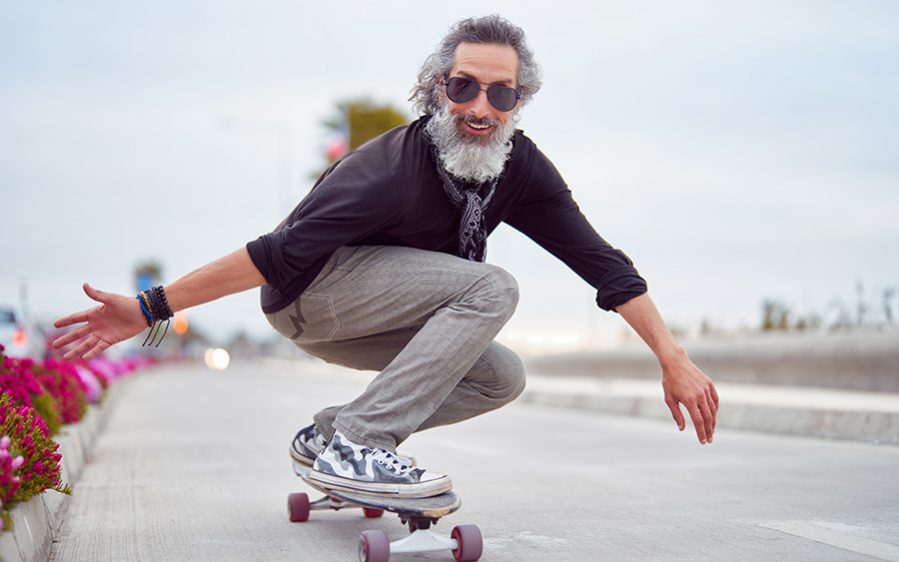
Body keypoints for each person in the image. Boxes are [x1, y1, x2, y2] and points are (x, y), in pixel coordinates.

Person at [53, 15, 719, 499]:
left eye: (501, 94)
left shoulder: (522, 170)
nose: (480, 108)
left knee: (500, 376)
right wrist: (149, 307)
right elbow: (271, 255)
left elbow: (602, 265)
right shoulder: (387, 171)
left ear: (518, 103)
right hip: (309, 295)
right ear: (437, 88)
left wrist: (673, 357)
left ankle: (331, 435)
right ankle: (361, 444)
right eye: (464, 87)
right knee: (492, 287)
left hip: (381, 311)